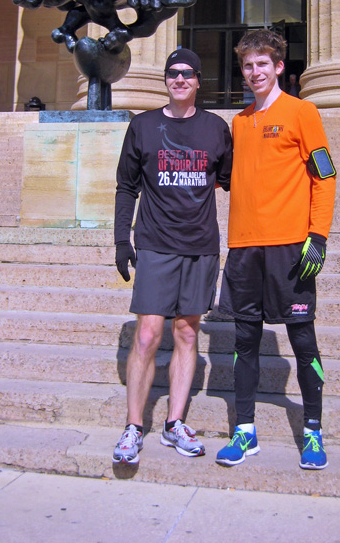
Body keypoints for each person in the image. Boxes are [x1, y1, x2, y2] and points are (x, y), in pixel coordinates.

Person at [216, 29, 336, 470]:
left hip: (291, 248)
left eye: (262, 64)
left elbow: (325, 174)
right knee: (244, 340)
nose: (254, 73)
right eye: (247, 66)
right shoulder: (240, 122)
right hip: (245, 248)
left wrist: (317, 236)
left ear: (279, 66)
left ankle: (313, 433)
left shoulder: (303, 112)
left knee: (303, 340)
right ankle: (244, 432)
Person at [112, 48, 233, 464]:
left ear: (199, 81)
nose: (179, 79)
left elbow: (235, 180)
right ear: (166, 81)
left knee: (186, 332)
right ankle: (133, 427)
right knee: (148, 334)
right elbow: (126, 186)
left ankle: (173, 423)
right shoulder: (143, 126)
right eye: (172, 74)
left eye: (187, 74)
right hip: (155, 243)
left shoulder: (216, 129)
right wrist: (119, 240)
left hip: (200, 245)